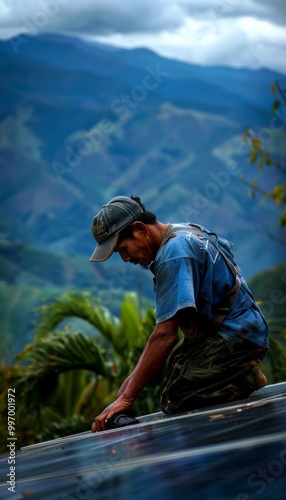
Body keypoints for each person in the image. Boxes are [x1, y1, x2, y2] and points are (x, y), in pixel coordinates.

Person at [90, 195, 269, 432]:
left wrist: (126, 400)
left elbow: (165, 336)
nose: (125, 258)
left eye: (123, 248)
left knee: (177, 398)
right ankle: (237, 374)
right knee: (176, 373)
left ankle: (243, 378)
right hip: (240, 327)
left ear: (140, 229)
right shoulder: (185, 230)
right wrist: (124, 390)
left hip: (236, 335)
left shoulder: (173, 255)